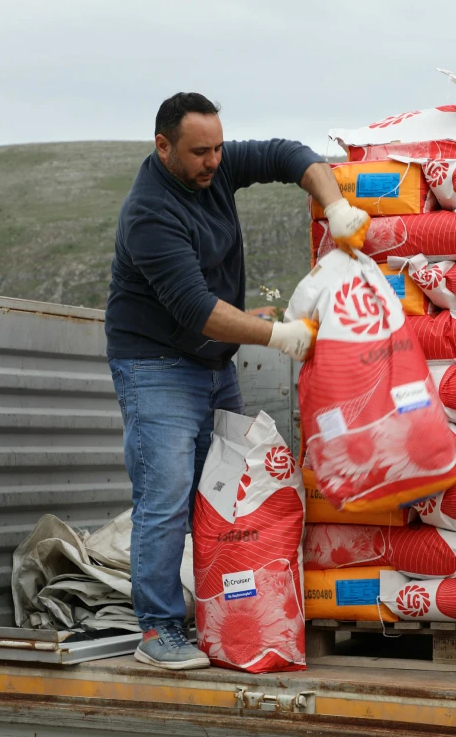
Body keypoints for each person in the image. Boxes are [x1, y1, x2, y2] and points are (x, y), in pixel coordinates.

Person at [105, 92, 368, 670]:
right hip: (155, 366)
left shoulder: (213, 171)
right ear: (163, 146)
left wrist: (335, 204)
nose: (214, 161)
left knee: (222, 493)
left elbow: (286, 154)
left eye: (220, 148)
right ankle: (156, 630)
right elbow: (195, 306)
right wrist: (275, 336)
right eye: (201, 152)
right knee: (167, 496)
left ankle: (213, 612)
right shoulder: (151, 212)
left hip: (211, 364)